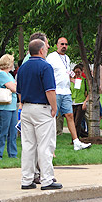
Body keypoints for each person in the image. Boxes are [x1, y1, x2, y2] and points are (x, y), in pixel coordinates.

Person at [17, 39, 62, 190]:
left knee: (28, 145)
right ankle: (47, 179)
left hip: (26, 107)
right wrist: (54, 108)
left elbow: (19, 91)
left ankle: (27, 179)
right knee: (45, 145)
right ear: (41, 50)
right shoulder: (45, 66)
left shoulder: (22, 68)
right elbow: (50, 90)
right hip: (42, 108)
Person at [46, 37, 91, 151]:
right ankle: (48, 143)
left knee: (70, 115)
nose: (64, 46)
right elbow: (47, 72)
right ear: (57, 45)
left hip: (66, 91)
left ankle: (76, 141)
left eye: (66, 44)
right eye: (62, 44)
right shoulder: (51, 57)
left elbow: (65, 73)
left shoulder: (67, 58)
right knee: (53, 117)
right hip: (56, 91)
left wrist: (72, 80)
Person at [0, 54, 18, 159]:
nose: (13, 64)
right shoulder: (2, 74)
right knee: (3, 131)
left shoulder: (9, 74)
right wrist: (16, 85)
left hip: (11, 107)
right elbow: (14, 88)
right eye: (12, 62)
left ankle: (12, 154)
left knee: (13, 132)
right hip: (3, 108)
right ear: (8, 63)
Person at [70, 64, 89, 138]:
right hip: (72, 103)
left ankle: (75, 138)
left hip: (80, 103)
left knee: (77, 122)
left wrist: (85, 102)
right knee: (73, 122)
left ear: (81, 72)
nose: (77, 73)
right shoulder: (72, 81)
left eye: (78, 72)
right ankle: (84, 135)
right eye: (76, 72)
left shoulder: (84, 81)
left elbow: (89, 92)